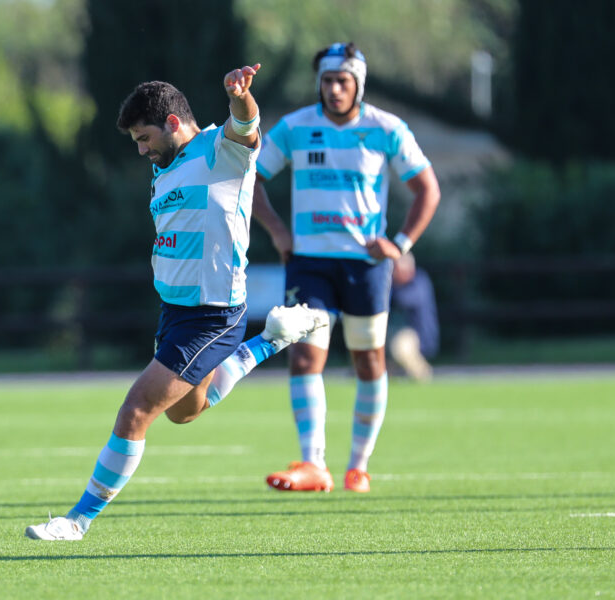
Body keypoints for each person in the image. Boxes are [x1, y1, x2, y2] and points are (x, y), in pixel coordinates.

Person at [25, 64, 325, 541]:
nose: (142, 151)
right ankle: (269, 341)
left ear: (170, 123)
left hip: (212, 316)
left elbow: (246, 125)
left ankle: (77, 521)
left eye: (144, 139)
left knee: (136, 411)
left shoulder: (219, 152)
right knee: (185, 412)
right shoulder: (163, 170)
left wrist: (239, 96)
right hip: (174, 312)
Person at [251, 42, 441, 493]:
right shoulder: (297, 127)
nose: (334, 89)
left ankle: (358, 464)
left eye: (343, 81)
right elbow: (251, 180)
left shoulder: (387, 128)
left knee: (369, 360)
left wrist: (399, 244)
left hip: (366, 266)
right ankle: (313, 462)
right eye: (328, 81)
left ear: (358, 84)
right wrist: (278, 232)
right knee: (303, 353)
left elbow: (427, 190)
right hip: (309, 264)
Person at [389, 251, 439, 382]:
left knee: (400, 346)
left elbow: (404, 300)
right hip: (394, 331)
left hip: (419, 334)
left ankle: (423, 374)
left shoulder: (420, 281)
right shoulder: (395, 284)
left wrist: (391, 286)